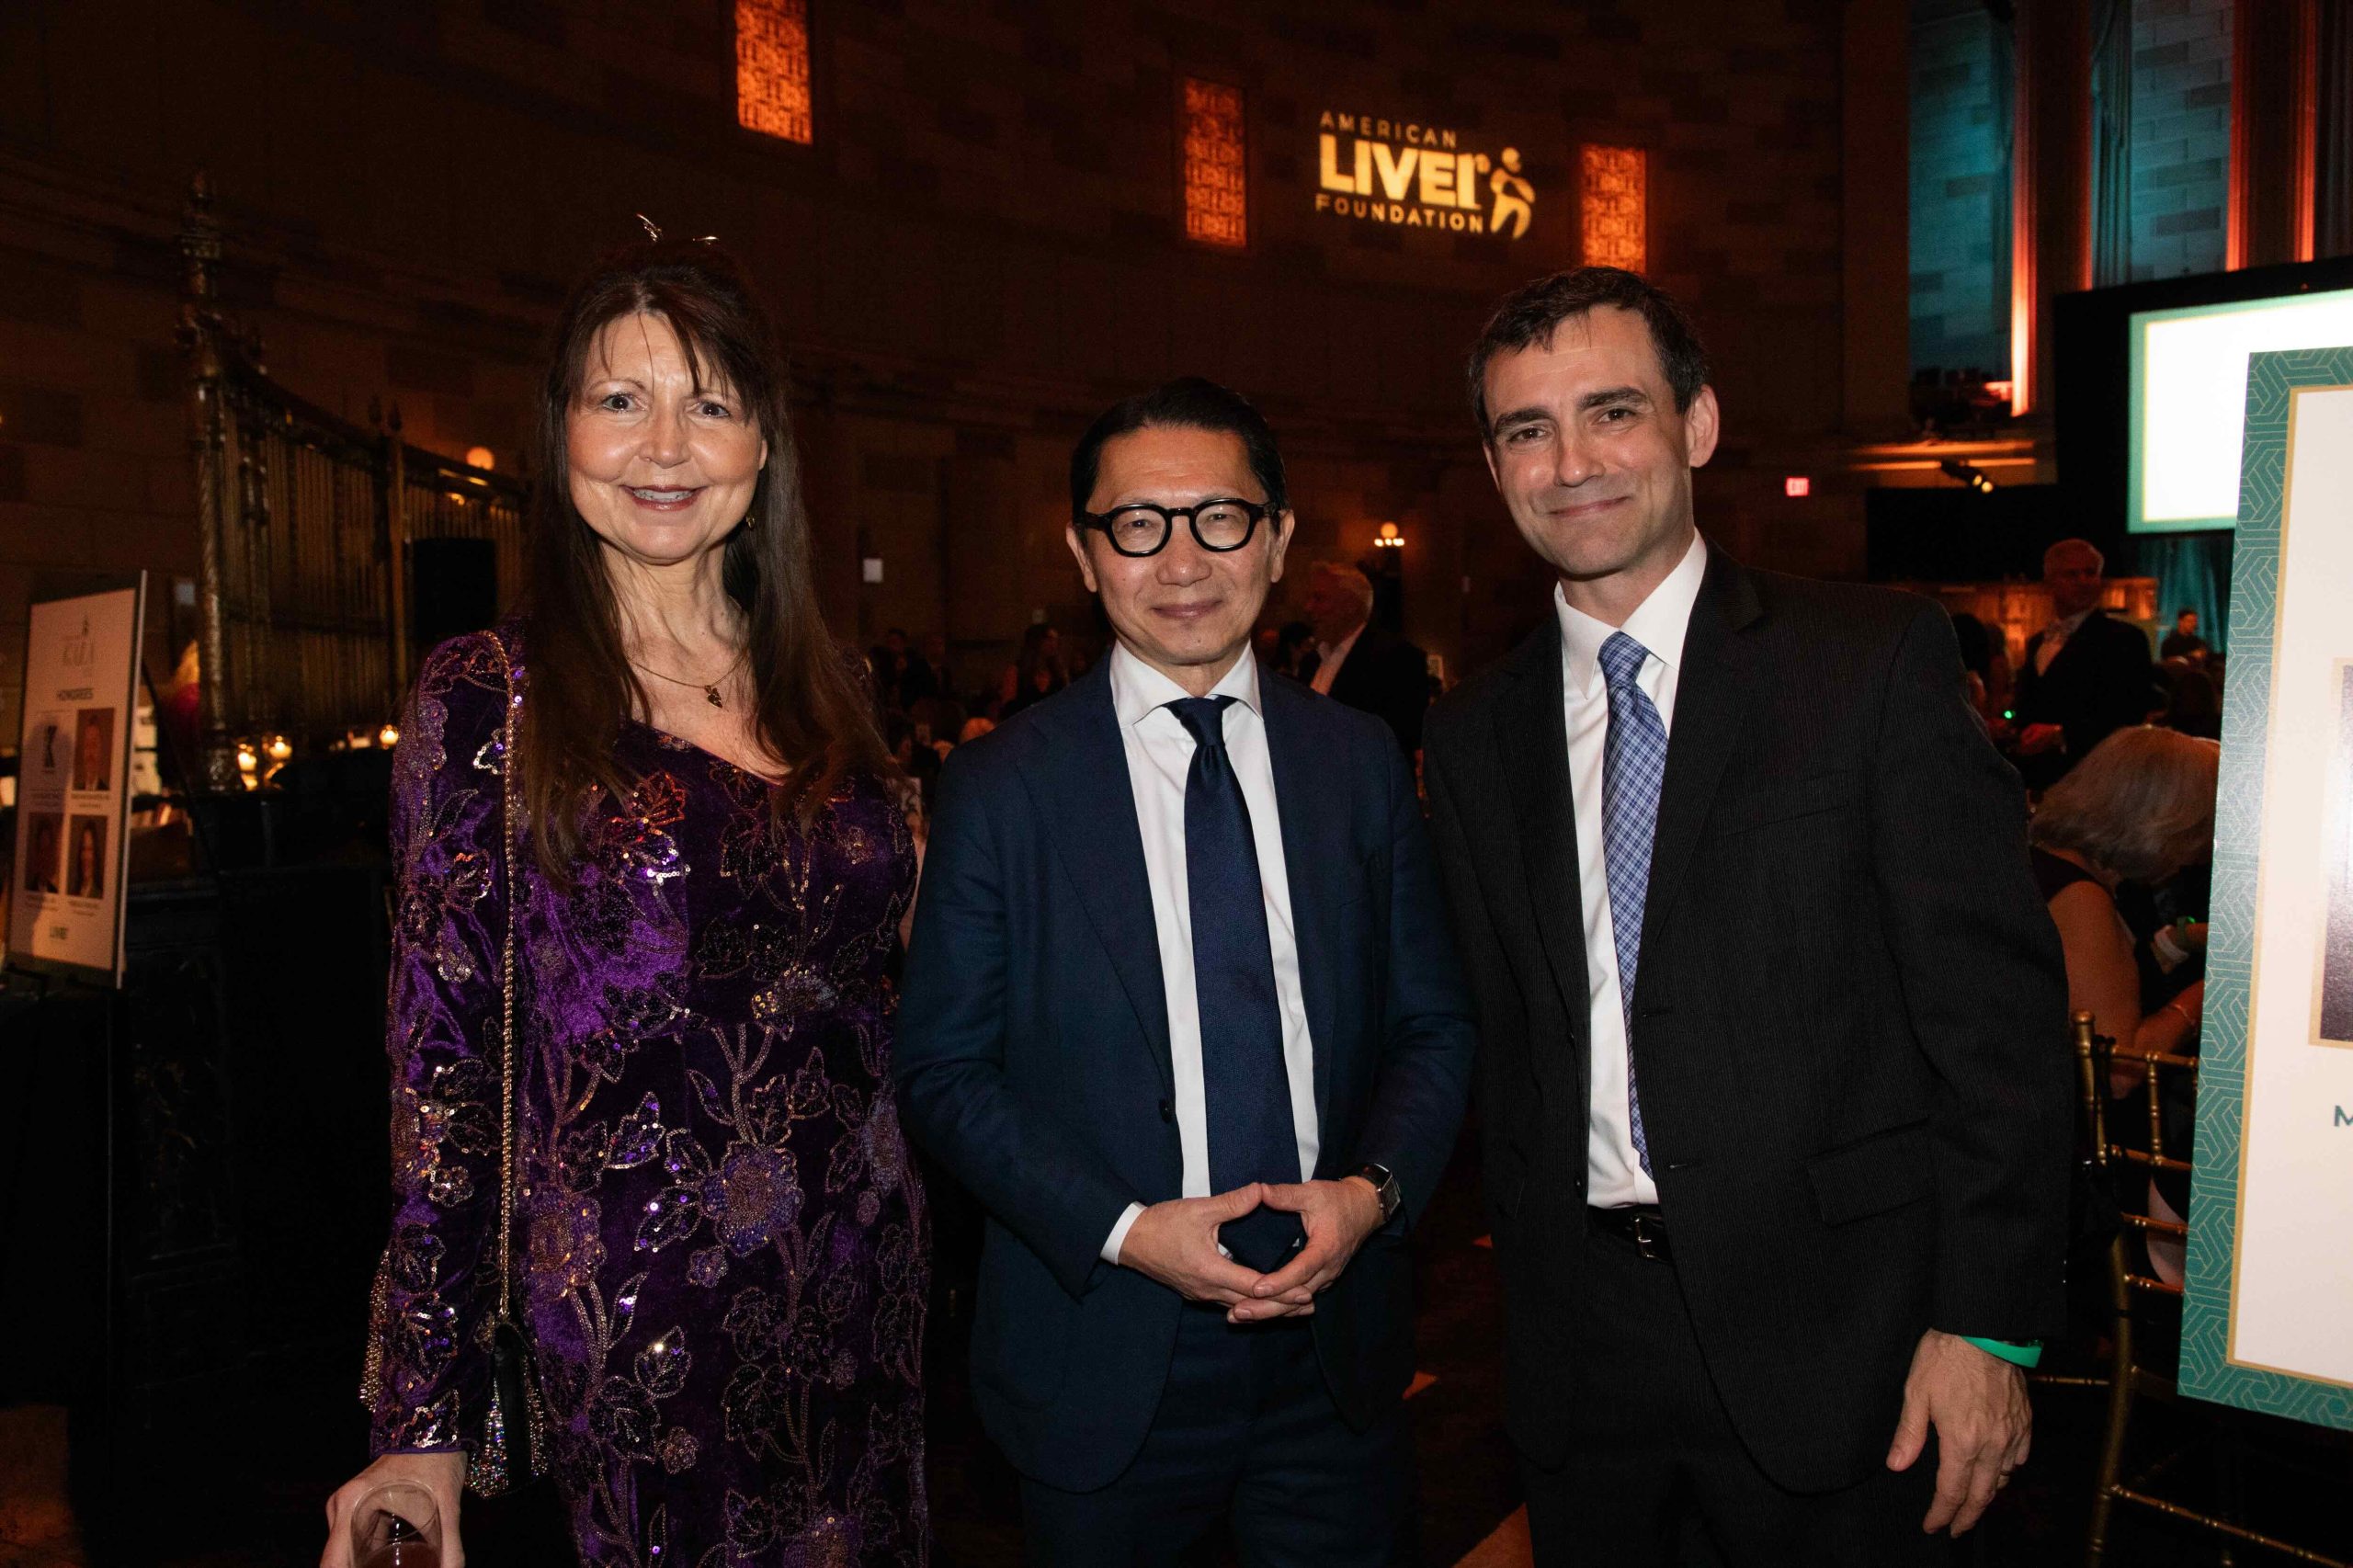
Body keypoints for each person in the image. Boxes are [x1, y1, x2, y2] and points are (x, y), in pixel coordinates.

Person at [1421, 267, 2071, 1565]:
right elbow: (1502, 1034)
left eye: (1612, 411)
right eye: (1527, 430)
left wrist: (1987, 1321)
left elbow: (1998, 1025)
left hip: (1849, 1336)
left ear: (1698, 424)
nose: (1571, 462)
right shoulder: (1471, 731)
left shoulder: (1866, 662)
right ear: (1495, 470)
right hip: (1578, 1353)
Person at [324, 237, 926, 1566]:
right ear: (562, 432)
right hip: (640, 1328)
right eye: (619, 398)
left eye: (709, 402)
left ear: (763, 443)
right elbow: (441, 1066)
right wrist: (420, 1417)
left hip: (862, 1284)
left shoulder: (833, 684)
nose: (664, 444)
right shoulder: (490, 694)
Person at [896, 376, 1475, 1564]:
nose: (1182, 559)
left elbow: (1434, 1023)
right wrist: (1124, 1230)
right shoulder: (1003, 785)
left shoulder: (1359, 761)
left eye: (1219, 517)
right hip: (1102, 1344)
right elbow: (944, 1069)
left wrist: (1371, 1195)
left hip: (1334, 1355)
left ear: (1276, 539)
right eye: (1137, 523)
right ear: (1083, 551)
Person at [2028, 727, 2219, 1284]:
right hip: (2091, 1159)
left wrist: (2181, 941)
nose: (2201, 850)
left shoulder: (2048, 864)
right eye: (2198, 829)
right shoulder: (2080, 897)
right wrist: (2214, 989)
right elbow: (2121, 1067)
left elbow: (2098, 981)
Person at [2011, 540, 2157, 789]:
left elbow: (2130, 712)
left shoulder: (2125, 639)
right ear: (2049, 582)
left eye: (2091, 573)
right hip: (2040, 778)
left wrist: (2060, 733)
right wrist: (2012, 726)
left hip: (2098, 778)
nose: (2083, 581)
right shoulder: (2037, 642)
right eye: (2072, 574)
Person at [1298, 562, 1431, 756]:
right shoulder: (1311, 662)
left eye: (1319, 598)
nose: (1308, 607)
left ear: (1350, 606)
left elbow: (1401, 737)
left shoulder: (1397, 660)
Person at [998, 622, 1067, 720]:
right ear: (1036, 641)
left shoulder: (1058, 673)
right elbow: (1008, 707)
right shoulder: (1016, 672)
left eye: (1056, 640)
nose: (1053, 644)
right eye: (1049, 639)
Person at [66, 821, 103, 898]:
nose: (86, 857)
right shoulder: (72, 893)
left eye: (90, 849)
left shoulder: (100, 895)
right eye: (83, 849)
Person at [25, 817, 61, 895]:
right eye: (42, 851)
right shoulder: (29, 890)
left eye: (47, 851)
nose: (44, 858)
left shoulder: (54, 891)